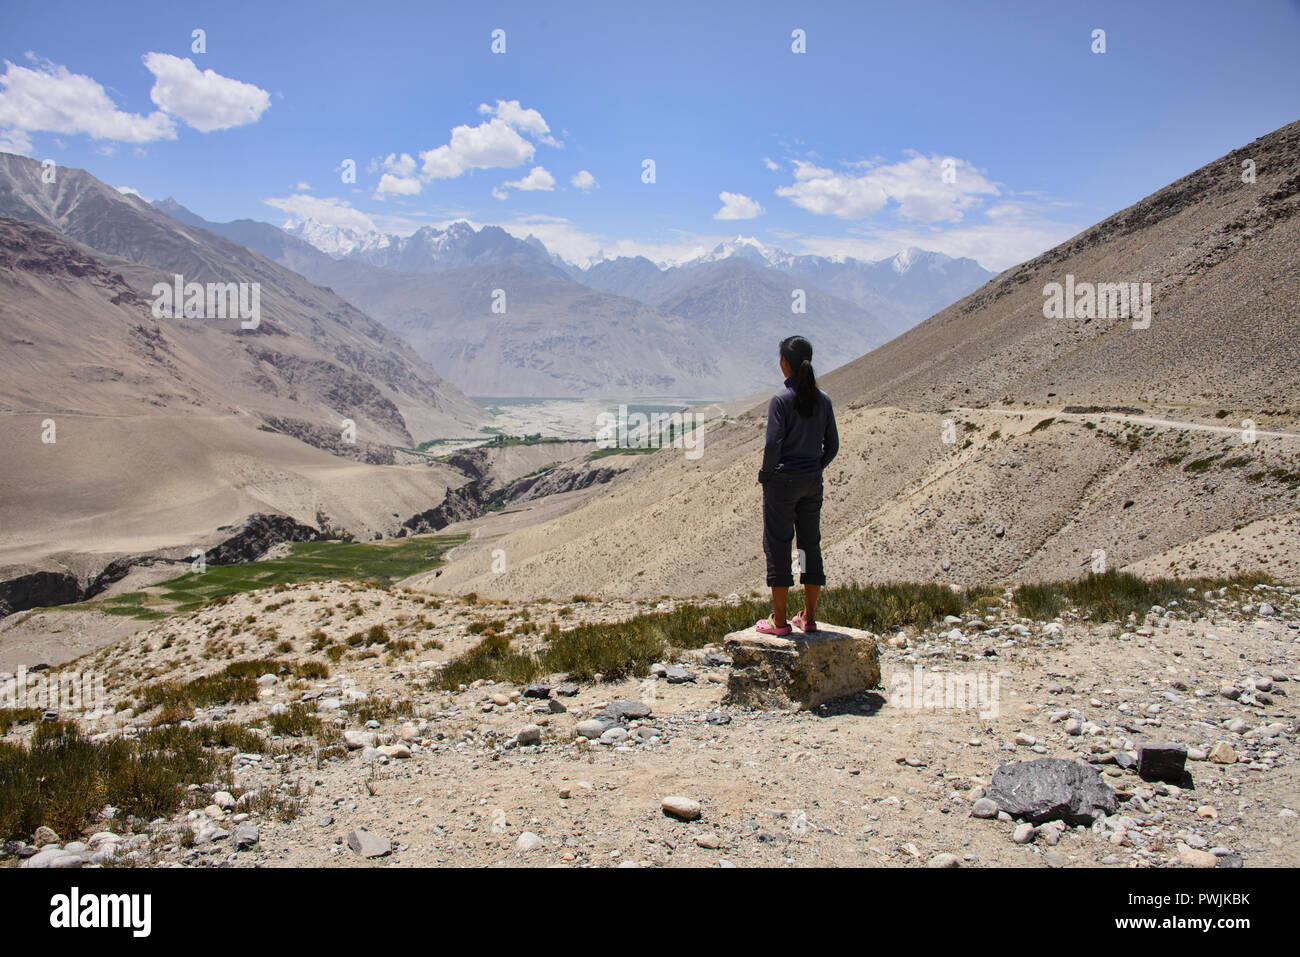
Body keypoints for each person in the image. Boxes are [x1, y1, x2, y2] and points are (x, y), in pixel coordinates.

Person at [755, 335, 839, 636]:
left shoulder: (780, 400)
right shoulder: (824, 400)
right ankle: (810, 617)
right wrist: (814, 468)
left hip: (782, 485)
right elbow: (833, 446)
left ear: (784, 364)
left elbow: (773, 443)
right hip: (811, 484)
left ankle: (779, 622)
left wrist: (767, 474)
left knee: (778, 545)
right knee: (809, 545)